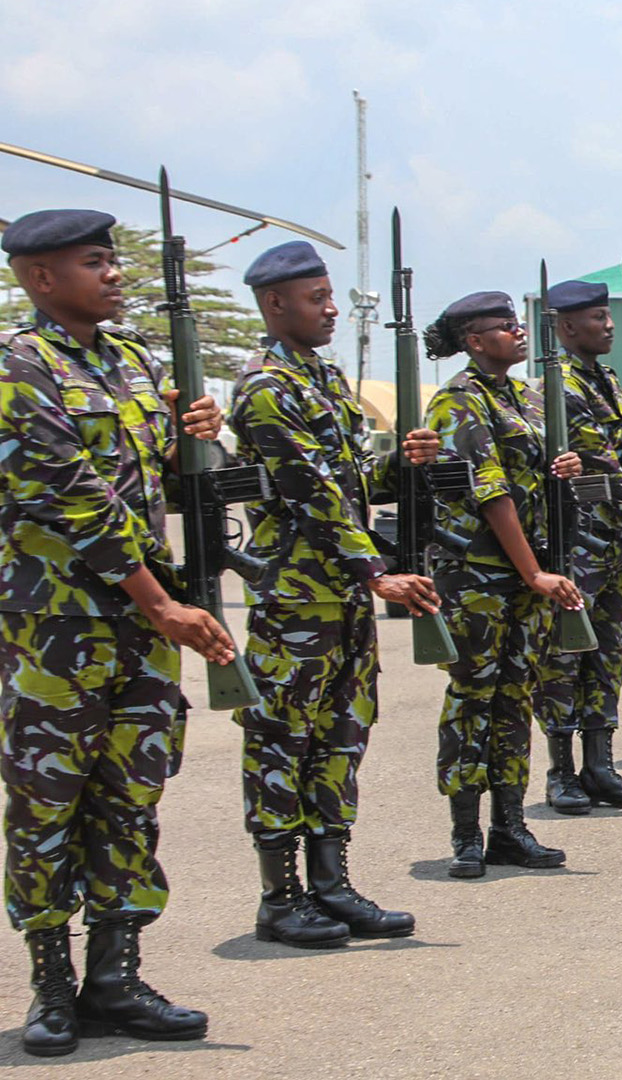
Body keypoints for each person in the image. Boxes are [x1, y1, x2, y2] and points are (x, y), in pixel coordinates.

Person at [1, 209, 227, 1053]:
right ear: (41, 278)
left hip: (137, 623)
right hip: (56, 627)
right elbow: (73, 498)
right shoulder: (19, 367)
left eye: (115, 261)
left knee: (131, 798)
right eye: (97, 263)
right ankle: (52, 987)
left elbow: (156, 478)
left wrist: (193, 435)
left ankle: (116, 975)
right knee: (47, 802)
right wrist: (160, 603)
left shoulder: (133, 361)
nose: (115, 275)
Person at [229, 241, 438, 947]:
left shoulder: (321, 376)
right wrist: (375, 573)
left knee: (340, 742)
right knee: (282, 744)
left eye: (329, 296)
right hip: (297, 601)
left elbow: (348, 488)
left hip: (341, 600)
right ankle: (279, 897)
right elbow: (309, 495)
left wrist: (404, 468)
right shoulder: (266, 387)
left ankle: (332, 883)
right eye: (316, 298)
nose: (329, 311)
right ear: (274, 303)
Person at [422, 291, 586, 878]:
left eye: (519, 325)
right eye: (505, 327)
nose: (518, 334)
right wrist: (533, 572)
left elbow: (530, 477)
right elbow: (490, 493)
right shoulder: (457, 402)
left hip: (524, 575)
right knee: (473, 698)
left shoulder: (528, 398)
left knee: (516, 697)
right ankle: (466, 833)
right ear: (473, 341)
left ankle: (510, 827)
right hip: (479, 577)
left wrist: (559, 469)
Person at [531, 279, 622, 814]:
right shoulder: (560, 385)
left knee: (607, 658)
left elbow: (621, 458)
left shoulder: (605, 381)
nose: (609, 325)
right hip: (578, 544)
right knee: (565, 658)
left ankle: (600, 765)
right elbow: (603, 468)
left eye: (608, 316)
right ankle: (561, 772)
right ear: (568, 327)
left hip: (612, 545)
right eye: (598, 317)